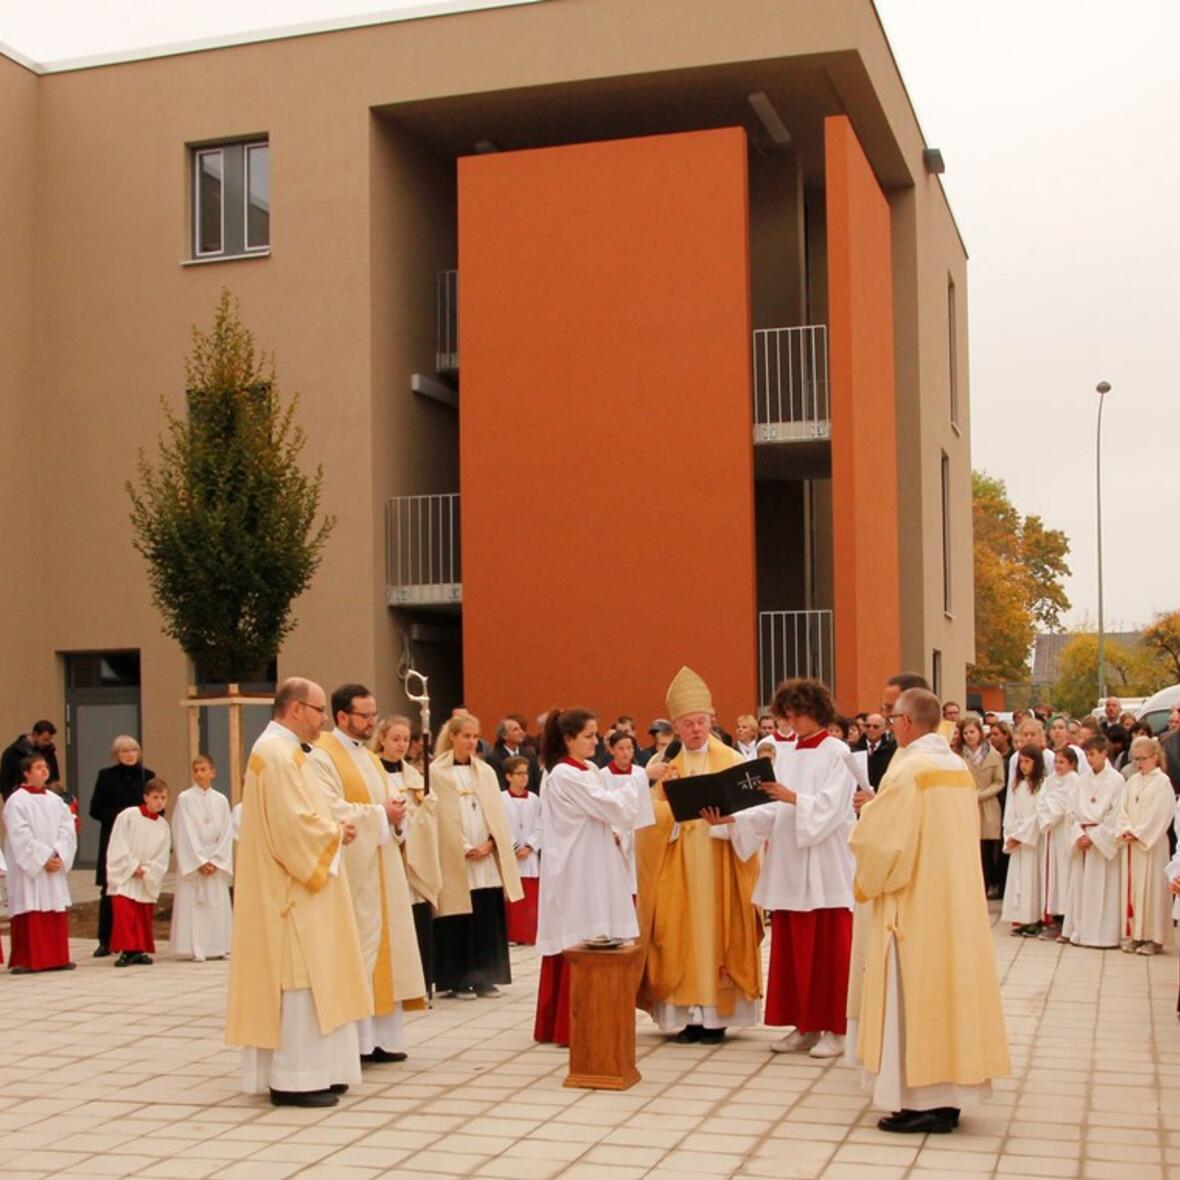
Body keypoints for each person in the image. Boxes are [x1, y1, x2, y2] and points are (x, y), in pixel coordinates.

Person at [848, 688, 1010, 1135]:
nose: (890, 723)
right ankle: (949, 1098)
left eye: (892, 717)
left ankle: (923, 1100)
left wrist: (867, 817)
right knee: (951, 1000)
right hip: (955, 902)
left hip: (915, 905)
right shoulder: (955, 767)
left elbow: (884, 843)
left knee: (914, 1001)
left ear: (905, 722)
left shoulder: (911, 770)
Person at [227, 678, 370, 1108]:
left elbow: (307, 811)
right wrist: (332, 832)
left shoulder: (288, 752)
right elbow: (291, 828)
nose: (324, 719)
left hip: (309, 886)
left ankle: (324, 1070)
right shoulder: (274, 754)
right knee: (302, 982)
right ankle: (295, 1078)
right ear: (294, 709)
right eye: (319, 710)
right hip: (292, 892)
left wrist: (334, 824)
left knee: (322, 978)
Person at [703, 678, 855, 1060]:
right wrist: (732, 821)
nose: (790, 721)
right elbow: (770, 809)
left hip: (823, 866)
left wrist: (793, 798)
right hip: (789, 864)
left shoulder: (839, 752)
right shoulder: (785, 754)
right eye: (786, 714)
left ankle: (836, 1028)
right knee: (793, 949)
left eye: (797, 714)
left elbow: (834, 810)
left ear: (816, 712)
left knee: (828, 951)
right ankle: (803, 1024)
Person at [636, 666, 763, 1045]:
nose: (696, 729)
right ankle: (690, 1017)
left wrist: (726, 822)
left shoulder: (732, 762)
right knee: (680, 937)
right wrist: (670, 812)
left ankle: (717, 1017)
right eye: (688, 723)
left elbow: (755, 814)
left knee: (716, 935)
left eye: (702, 721)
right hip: (679, 870)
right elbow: (646, 818)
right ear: (675, 727)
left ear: (712, 720)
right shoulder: (664, 768)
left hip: (721, 864)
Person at [307, 684, 425, 1064]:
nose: (372, 722)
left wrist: (396, 812)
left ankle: (381, 1039)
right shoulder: (322, 755)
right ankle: (354, 1042)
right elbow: (330, 808)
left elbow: (389, 800)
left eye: (375, 715)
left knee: (386, 949)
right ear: (343, 717)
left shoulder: (370, 758)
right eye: (365, 716)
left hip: (383, 867)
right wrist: (380, 815)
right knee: (359, 950)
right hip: (354, 873)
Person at [533, 708, 653, 1046]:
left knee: (595, 930)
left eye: (596, 734)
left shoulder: (585, 769)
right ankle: (573, 1023)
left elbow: (607, 812)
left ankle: (592, 1015)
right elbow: (610, 805)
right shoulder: (563, 775)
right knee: (582, 933)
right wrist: (645, 777)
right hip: (576, 867)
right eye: (589, 735)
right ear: (568, 739)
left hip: (592, 859)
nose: (596, 741)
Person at [431, 712, 523, 999]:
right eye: (466, 736)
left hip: (485, 853)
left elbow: (496, 812)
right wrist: (462, 846)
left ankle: (486, 976)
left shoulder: (485, 771)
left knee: (486, 912)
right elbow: (438, 815)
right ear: (453, 737)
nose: (471, 742)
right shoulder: (435, 772)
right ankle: (458, 978)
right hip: (456, 855)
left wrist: (490, 843)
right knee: (459, 914)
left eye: (474, 737)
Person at [375, 714, 441, 999]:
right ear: (381, 739)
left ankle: (421, 983)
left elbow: (428, 814)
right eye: (395, 739)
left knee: (416, 917)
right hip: (386, 851)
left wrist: (424, 810)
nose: (401, 745)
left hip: (414, 855)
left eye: (405, 739)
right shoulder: (371, 770)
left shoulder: (415, 776)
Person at [2, 752, 77, 973]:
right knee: (30, 905)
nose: (44, 770)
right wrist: (43, 858)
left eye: (45, 766)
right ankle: (28, 960)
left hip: (53, 863)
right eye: (38, 767)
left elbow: (68, 828)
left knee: (53, 906)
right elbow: (19, 834)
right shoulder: (16, 801)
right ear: (26, 773)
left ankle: (57, 957)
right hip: (30, 868)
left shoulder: (56, 800)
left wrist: (58, 855)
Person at [89, 736, 155, 958]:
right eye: (124, 751)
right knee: (111, 889)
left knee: (138, 892)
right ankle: (105, 941)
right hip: (113, 838)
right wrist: (122, 817)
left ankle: (136, 941)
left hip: (141, 841)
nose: (130, 755)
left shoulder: (148, 776)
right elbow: (96, 809)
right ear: (116, 754)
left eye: (133, 750)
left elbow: (157, 806)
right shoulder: (106, 776)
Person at [1061, 736, 1125, 950]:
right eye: (1087, 755)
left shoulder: (1116, 780)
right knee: (1081, 887)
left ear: (1104, 753)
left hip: (1100, 838)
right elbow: (1070, 811)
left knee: (1101, 888)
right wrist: (1079, 833)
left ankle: (1103, 935)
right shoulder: (1082, 780)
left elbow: (1116, 814)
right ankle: (1078, 930)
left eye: (1093, 754)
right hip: (1083, 836)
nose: (1089, 759)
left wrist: (1095, 836)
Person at [170, 755, 234, 962]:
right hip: (196, 859)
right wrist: (199, 861)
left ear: (212, 772)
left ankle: (219, 945)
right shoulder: (185, 798)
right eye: (196, 770)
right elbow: (183, 830)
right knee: (196, 905)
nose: (199, 774)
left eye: (203, 769)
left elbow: (226, 832)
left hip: (215, 857)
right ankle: (196, 947)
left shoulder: (221, 800)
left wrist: (216, 860)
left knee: (216, 903)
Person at [105, 776, 171, 967]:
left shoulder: (163, 826)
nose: (159, 802)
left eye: (163, 798)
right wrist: (132, 866)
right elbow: (118, 843)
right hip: (126, 874)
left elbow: (162, 855)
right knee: (125, 914)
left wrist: (149, 870)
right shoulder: (128, 815)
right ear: (146, 797)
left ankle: (139, 949)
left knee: (142, 914)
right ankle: (127, 950)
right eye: (156, 797)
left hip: (145, 875)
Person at [1116, 736, 1173, 955]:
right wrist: (1125, 829)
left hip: (1151, 845)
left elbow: (1160, 814)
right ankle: (1136, 935)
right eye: (1136, 759)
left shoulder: (1162, 782)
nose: (1139, 763)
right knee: (1135, 891)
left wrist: (1139, 833)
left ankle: (1154, 938)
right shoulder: (1132, 781)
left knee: (1152, 891)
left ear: (1155, 758)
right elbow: (1122, 809)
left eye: (1143, 759)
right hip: (1132, 845)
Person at [1035, 746, 1081, 941]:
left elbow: (1065, 805)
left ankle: (1065, 919)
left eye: (1062, 762)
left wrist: (1050, 811)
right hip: (1051, 832)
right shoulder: (1050, 780)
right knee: (1052, 874)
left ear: (1072, 764)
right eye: (1056, 762)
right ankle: (1053, 917)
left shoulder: (1075, 781)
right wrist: (1047, 815)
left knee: (1064, 874)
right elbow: (1040, 801)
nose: (1058, 766)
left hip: (1064, 832)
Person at [1001, 745, 1046, 937]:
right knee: (1017, 880)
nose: (1023, 765)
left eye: (1027, 761)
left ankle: (1033, 919)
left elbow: (1037, 815)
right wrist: (1009, 835)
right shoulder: (1017, 785)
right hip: (1017, 838)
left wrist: (1020, 836)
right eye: (1021, 761)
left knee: (1031, 880)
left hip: (1030, 842)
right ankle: (1019, 917)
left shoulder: (1042, 785)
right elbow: (1010, 812)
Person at [959, 716, 1004, 899]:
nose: (969, 736)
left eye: (972, 732)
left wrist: (980, 794)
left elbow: (999, 781)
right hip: (965, 804)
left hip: (987, 803)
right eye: (966, 733)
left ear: (980, 732)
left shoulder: (993, 755)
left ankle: (987, 886)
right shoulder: (957, 756)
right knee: (969, 848)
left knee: (987, 849)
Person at [500, 756, 541, 945]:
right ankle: (513, 935)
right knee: (512, 899)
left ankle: (528, 934)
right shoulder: (500, 799)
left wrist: (531, 845)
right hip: (511, 856)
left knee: (530, 898)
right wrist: (514, 846)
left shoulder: (535, 800)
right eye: (519, 773)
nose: (524, 777)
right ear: (508, 776)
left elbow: (542, 826)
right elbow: (499, 826)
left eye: (526, 773)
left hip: (530, 856)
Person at [602, 730, 649, 895]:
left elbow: (645, 806)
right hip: (614, 838)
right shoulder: (602, 776)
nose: (626, 752)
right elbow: (604, 807)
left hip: (638, 835)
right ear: (611, 750)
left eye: (629, 748)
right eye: (621, 748)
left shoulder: (640, 773)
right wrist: (613, 832)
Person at [1, 720, 60, 800]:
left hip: (45, 796)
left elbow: (54, 777)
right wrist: (9, 799)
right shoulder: (13, 753)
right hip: (20, 797)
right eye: (45, 739)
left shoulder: (49, 752)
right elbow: (6, 780)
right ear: (35, 734)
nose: (47, 743)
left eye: (49, 740)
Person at [489, 716, 542, 794]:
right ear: (504, 736)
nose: (521, 732)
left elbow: (537, 781)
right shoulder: (494, 758)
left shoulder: (530, 755)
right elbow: (498, 785)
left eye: (520, 729)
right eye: (515, 730)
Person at [862, 715, 895, 789]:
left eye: (875, 727)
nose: (871, 729)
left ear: (884, 729)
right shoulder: (856, 749)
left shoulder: (891, 751)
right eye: (868, 726)